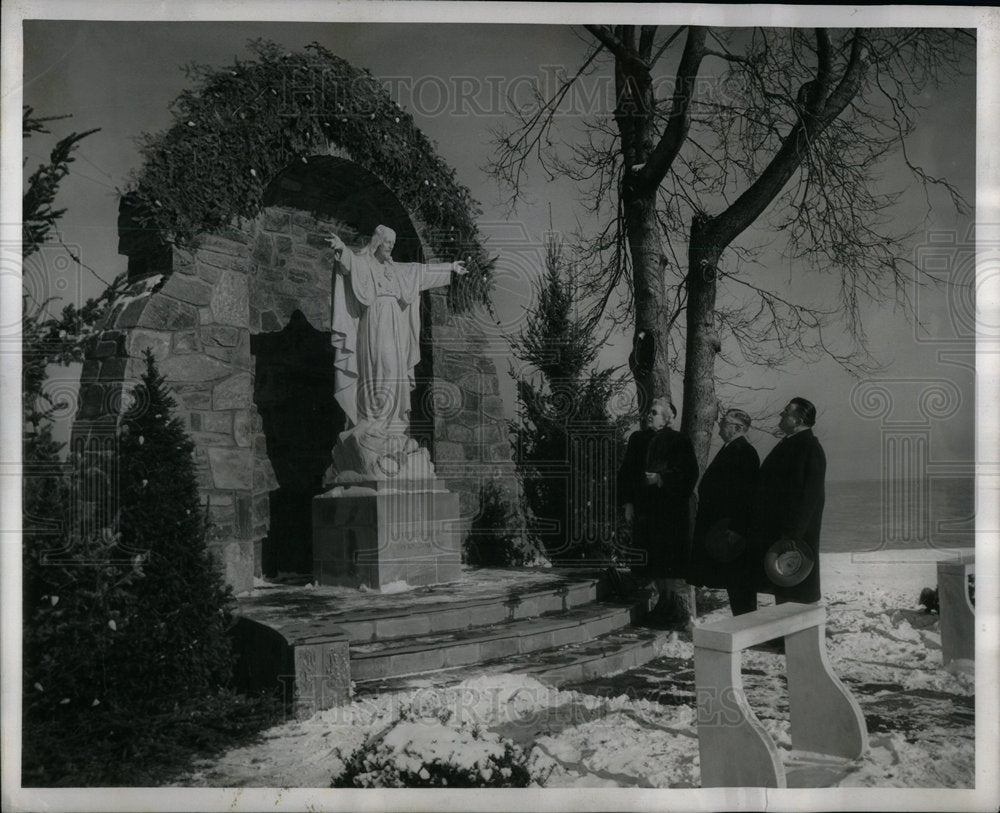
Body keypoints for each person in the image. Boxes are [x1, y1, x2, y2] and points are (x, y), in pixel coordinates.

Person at [327, 225, 467, 477]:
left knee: (395, 372)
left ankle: (391, 426)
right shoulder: (365, 263)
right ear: (377, 242)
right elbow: (349, 265)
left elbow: (421, 273)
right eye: (386, 242)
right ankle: (371, 422)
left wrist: (449, 268)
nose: (390, 246)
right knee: (379, 368)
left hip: (395, 326)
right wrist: (341, 249)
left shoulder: (397, 269)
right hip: (374, 323)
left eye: (393, 242)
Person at [617, 397, 699, 621]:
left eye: (654, 413)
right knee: (649, 561)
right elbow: (626, 474)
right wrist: (627, 503)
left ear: (667, 418)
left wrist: (662, 479)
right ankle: (659, 608)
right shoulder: (638, 439)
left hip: (672, 513)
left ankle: (681, 613)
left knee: (672, 563)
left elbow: (689, 474)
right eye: (649, 412)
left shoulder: (679, 440)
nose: (648, 416)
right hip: (646, 513)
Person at [745, 397, 827, 608]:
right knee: (783, 584)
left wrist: (793, 535)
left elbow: (810, 497)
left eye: (786, 412)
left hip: (793, 535)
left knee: (794, 584)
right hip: (780, 530)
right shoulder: (792, 443)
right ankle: (784, 638)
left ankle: (791, 638)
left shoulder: (810, 448)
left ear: (798, 419)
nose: (781, 414)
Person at [688, 408, 760, 615]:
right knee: (733, 581)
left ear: (738, 428)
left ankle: (747, 625)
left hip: (731, 530)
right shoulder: (731, 449)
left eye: (725, 422)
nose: (720, 424)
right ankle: (744, 623)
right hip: (722, 528)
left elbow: (748, 497)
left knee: (739, 583)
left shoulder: (745, 452)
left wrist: (737, 529)